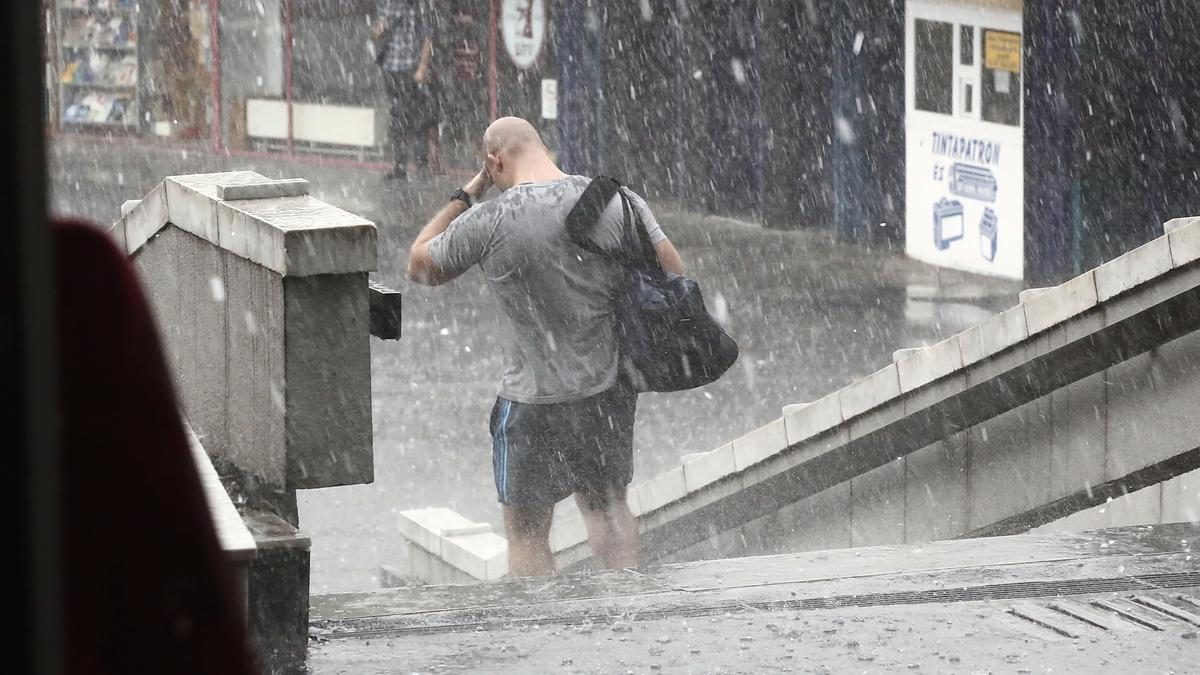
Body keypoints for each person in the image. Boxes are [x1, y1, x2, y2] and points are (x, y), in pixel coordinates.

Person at [406, 117, 685, 577]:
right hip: (604, 393)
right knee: (608, 508)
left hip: (529, 403)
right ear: (544, 148)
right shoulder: (615, 199)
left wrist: (468, 193)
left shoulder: (491, 219)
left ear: (495, 161)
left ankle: (538, 626)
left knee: (528, 532)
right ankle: (624, 609)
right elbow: (672, 272)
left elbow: (419, 262)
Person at [372, 0, 440, 180]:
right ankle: (399, 165)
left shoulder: (421, 4)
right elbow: (377, 29)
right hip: (390, 65)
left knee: (417, 117)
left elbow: (429, 36)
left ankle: (421, 165)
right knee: (397, 116)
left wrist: (422, 67)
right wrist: (379, 30)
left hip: (411, 67)